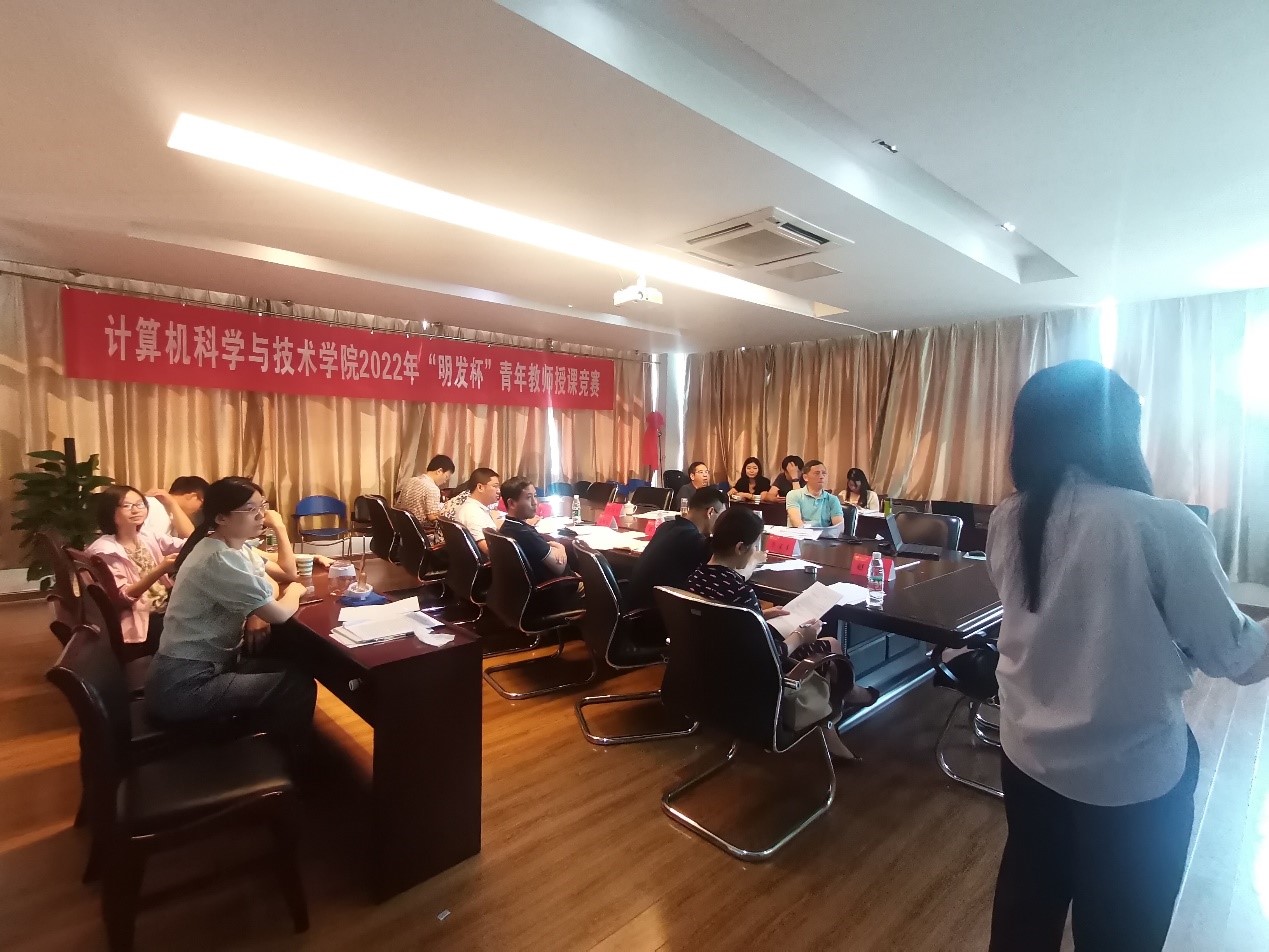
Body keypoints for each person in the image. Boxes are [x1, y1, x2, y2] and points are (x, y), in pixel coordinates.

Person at [986, 360, 1269, 952]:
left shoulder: (1010, 516)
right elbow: (1240, 660)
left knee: (1025, 909)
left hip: (1027, 754)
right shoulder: (1161, 524)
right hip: (1130, 778)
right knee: (1121, 932)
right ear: (1119, 434)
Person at [685, 507, 877, 760]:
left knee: (826, 644)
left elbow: (724, 619)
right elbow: (769, 656)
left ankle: (845, 696)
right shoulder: (740, 591)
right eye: (755, 546)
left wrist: (760, 615)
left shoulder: (695, 578)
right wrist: (800, 636)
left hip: (713, 665)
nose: (756, 552)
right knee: (830, 645)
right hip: (751, 675)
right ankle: (835, 715)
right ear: (740, 548)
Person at [146, 477, 316, 751]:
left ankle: (261, 747)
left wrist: (281, 529)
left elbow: (285, 573)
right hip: (184, 684)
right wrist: (295, 591)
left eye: (262, 506)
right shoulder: (219, 558)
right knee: (295, 684)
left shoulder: (232, 547)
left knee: (285, 664)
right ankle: (284, 761)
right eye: (251, 509)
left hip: (203, 668)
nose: (261, 515)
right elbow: (278, 614)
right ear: (221, 517)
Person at [85, 485, 188, 648]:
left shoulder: (146, 535)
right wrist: (161, 569)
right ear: (110, 511)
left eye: (140, 504)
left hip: (164, 606)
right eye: (127, 506)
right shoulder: (105, 550)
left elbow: (184, 545)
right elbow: (122, 597)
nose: (136, 510)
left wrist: (213, 535)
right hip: (143, 619)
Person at [626, 487, 727, 612]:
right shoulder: (693, 540)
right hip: (653, 615)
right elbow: (724, 568)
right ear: (710, 512)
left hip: (634, 605)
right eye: (721, 517)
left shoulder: (665, 526)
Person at [498, 477, 570, 583]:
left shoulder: (507, 526)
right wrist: (561, 548)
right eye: (528, 497)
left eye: (535, 496)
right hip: (555, 586)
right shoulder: (525, 534)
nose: (535, 502)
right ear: (511, 503)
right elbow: (560, 568)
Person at [398, 454, 455, 545]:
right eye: (446, 477)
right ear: (439, 471)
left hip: (404, 531)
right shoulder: (432, 488)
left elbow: (398, 504)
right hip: (421, 534)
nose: (445, 481)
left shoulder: (410, 480)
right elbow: (432, 517)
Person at [454, 468, 504, 555]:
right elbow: (489, 550)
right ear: (480, 487)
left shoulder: (473, 506)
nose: (499, 491)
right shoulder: (473, 513)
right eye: (495, 486)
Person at [142, 475, 208, 537]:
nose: (200, 511)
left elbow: (190, 535)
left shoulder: (177, 516)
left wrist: (172, 502)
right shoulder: (152, 504)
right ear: (193, 496)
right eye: (202, 506)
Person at [786, 460, 845, 528]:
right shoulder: (794, 495)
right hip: (800, 534)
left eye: (824, 473)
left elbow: (839, 528)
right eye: (817, 473)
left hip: (824, 534)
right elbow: (797, 524)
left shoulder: (833, 499)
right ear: (805, 477)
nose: (821, 476)